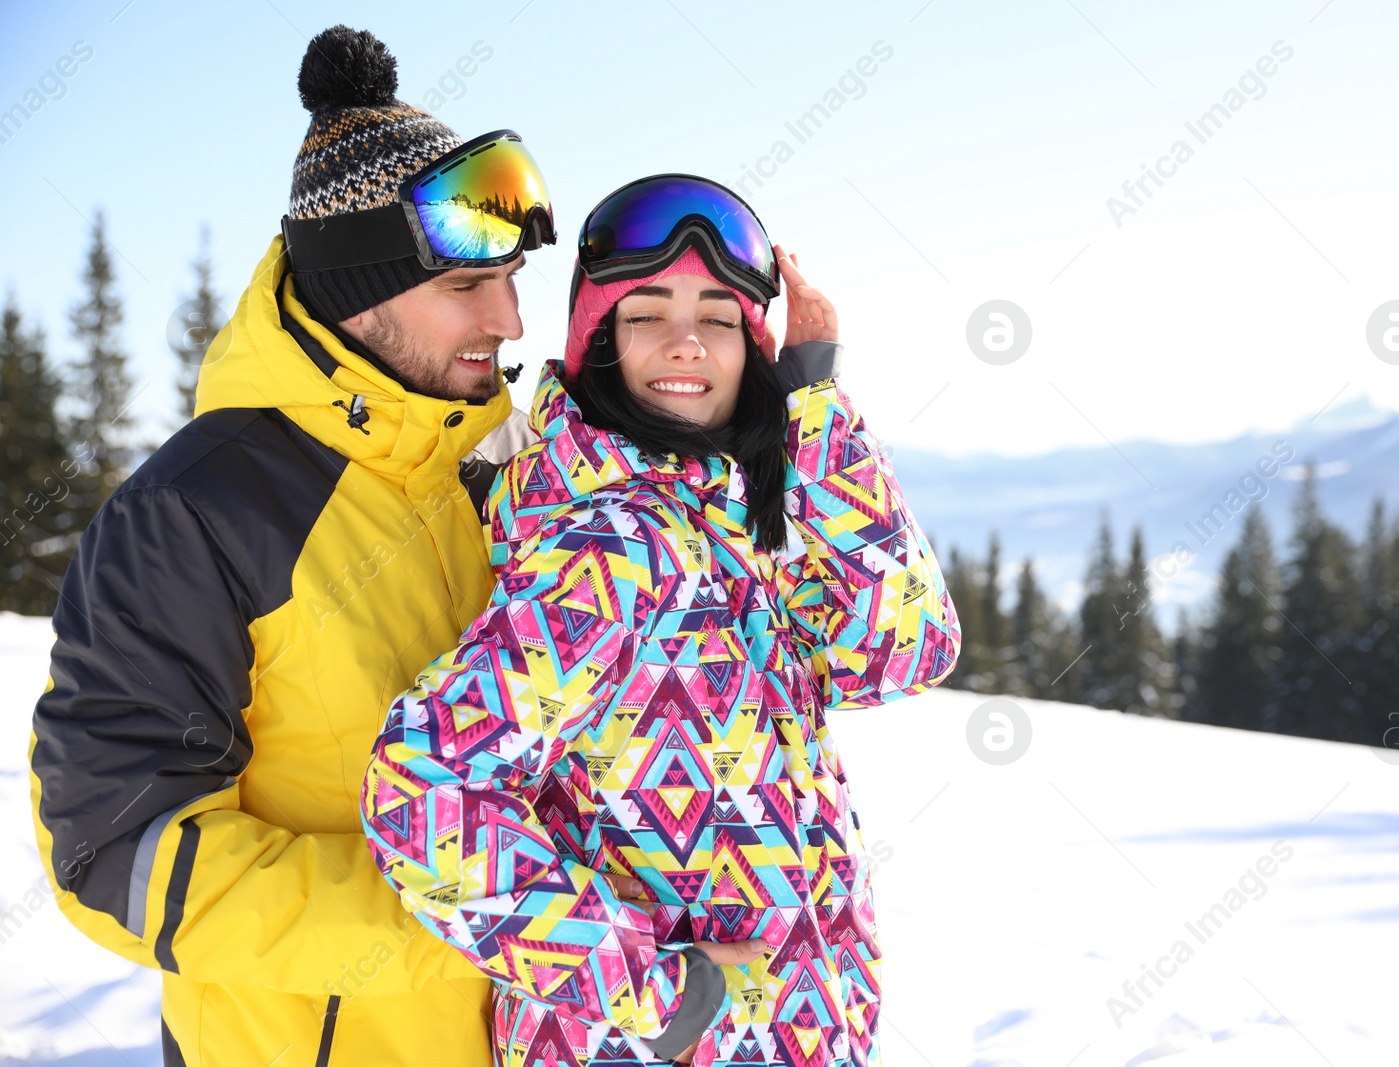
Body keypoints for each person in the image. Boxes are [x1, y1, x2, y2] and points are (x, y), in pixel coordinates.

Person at [28, 26, 557, 1066]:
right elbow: (116, 850)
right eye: (465, 286)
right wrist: (488, 923)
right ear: (358, 293)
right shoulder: (197, 509)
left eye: (511, 277)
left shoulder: (512, 468)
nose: (508, 316)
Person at [360, 175, 961, 1067]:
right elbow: (422, 791)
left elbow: (904, 648)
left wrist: (815, 404)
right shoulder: (612, 546)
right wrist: (655, 993)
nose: (687, 341)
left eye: (720, 318)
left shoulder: (717, 533)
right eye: (646, 313)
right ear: (598, 342)